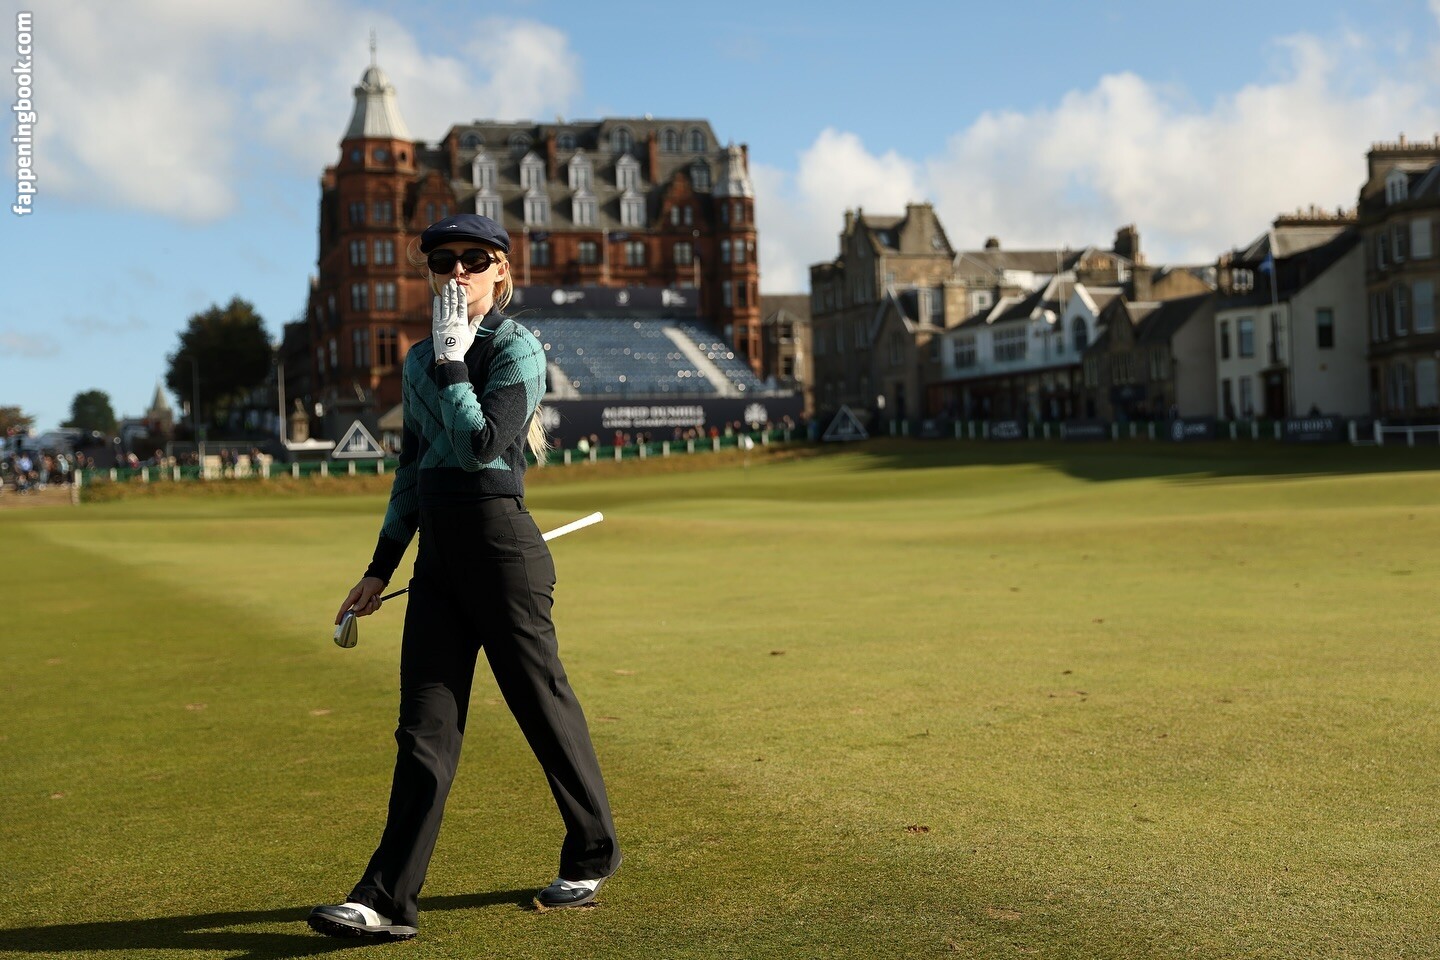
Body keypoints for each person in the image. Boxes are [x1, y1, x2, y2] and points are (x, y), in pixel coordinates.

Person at [308, 214, 621, 942]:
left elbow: (482, 445)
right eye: (443, 259)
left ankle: (591, 853)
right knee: (424, 730)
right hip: (439, 559)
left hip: (502, 551)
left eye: (474, 259)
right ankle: (385, 900)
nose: (457, 271)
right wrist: (379, 568)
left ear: (500, 271)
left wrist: (454, 363)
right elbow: (413, 472)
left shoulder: (517, 348)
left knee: (540, 706)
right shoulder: (418, 358)